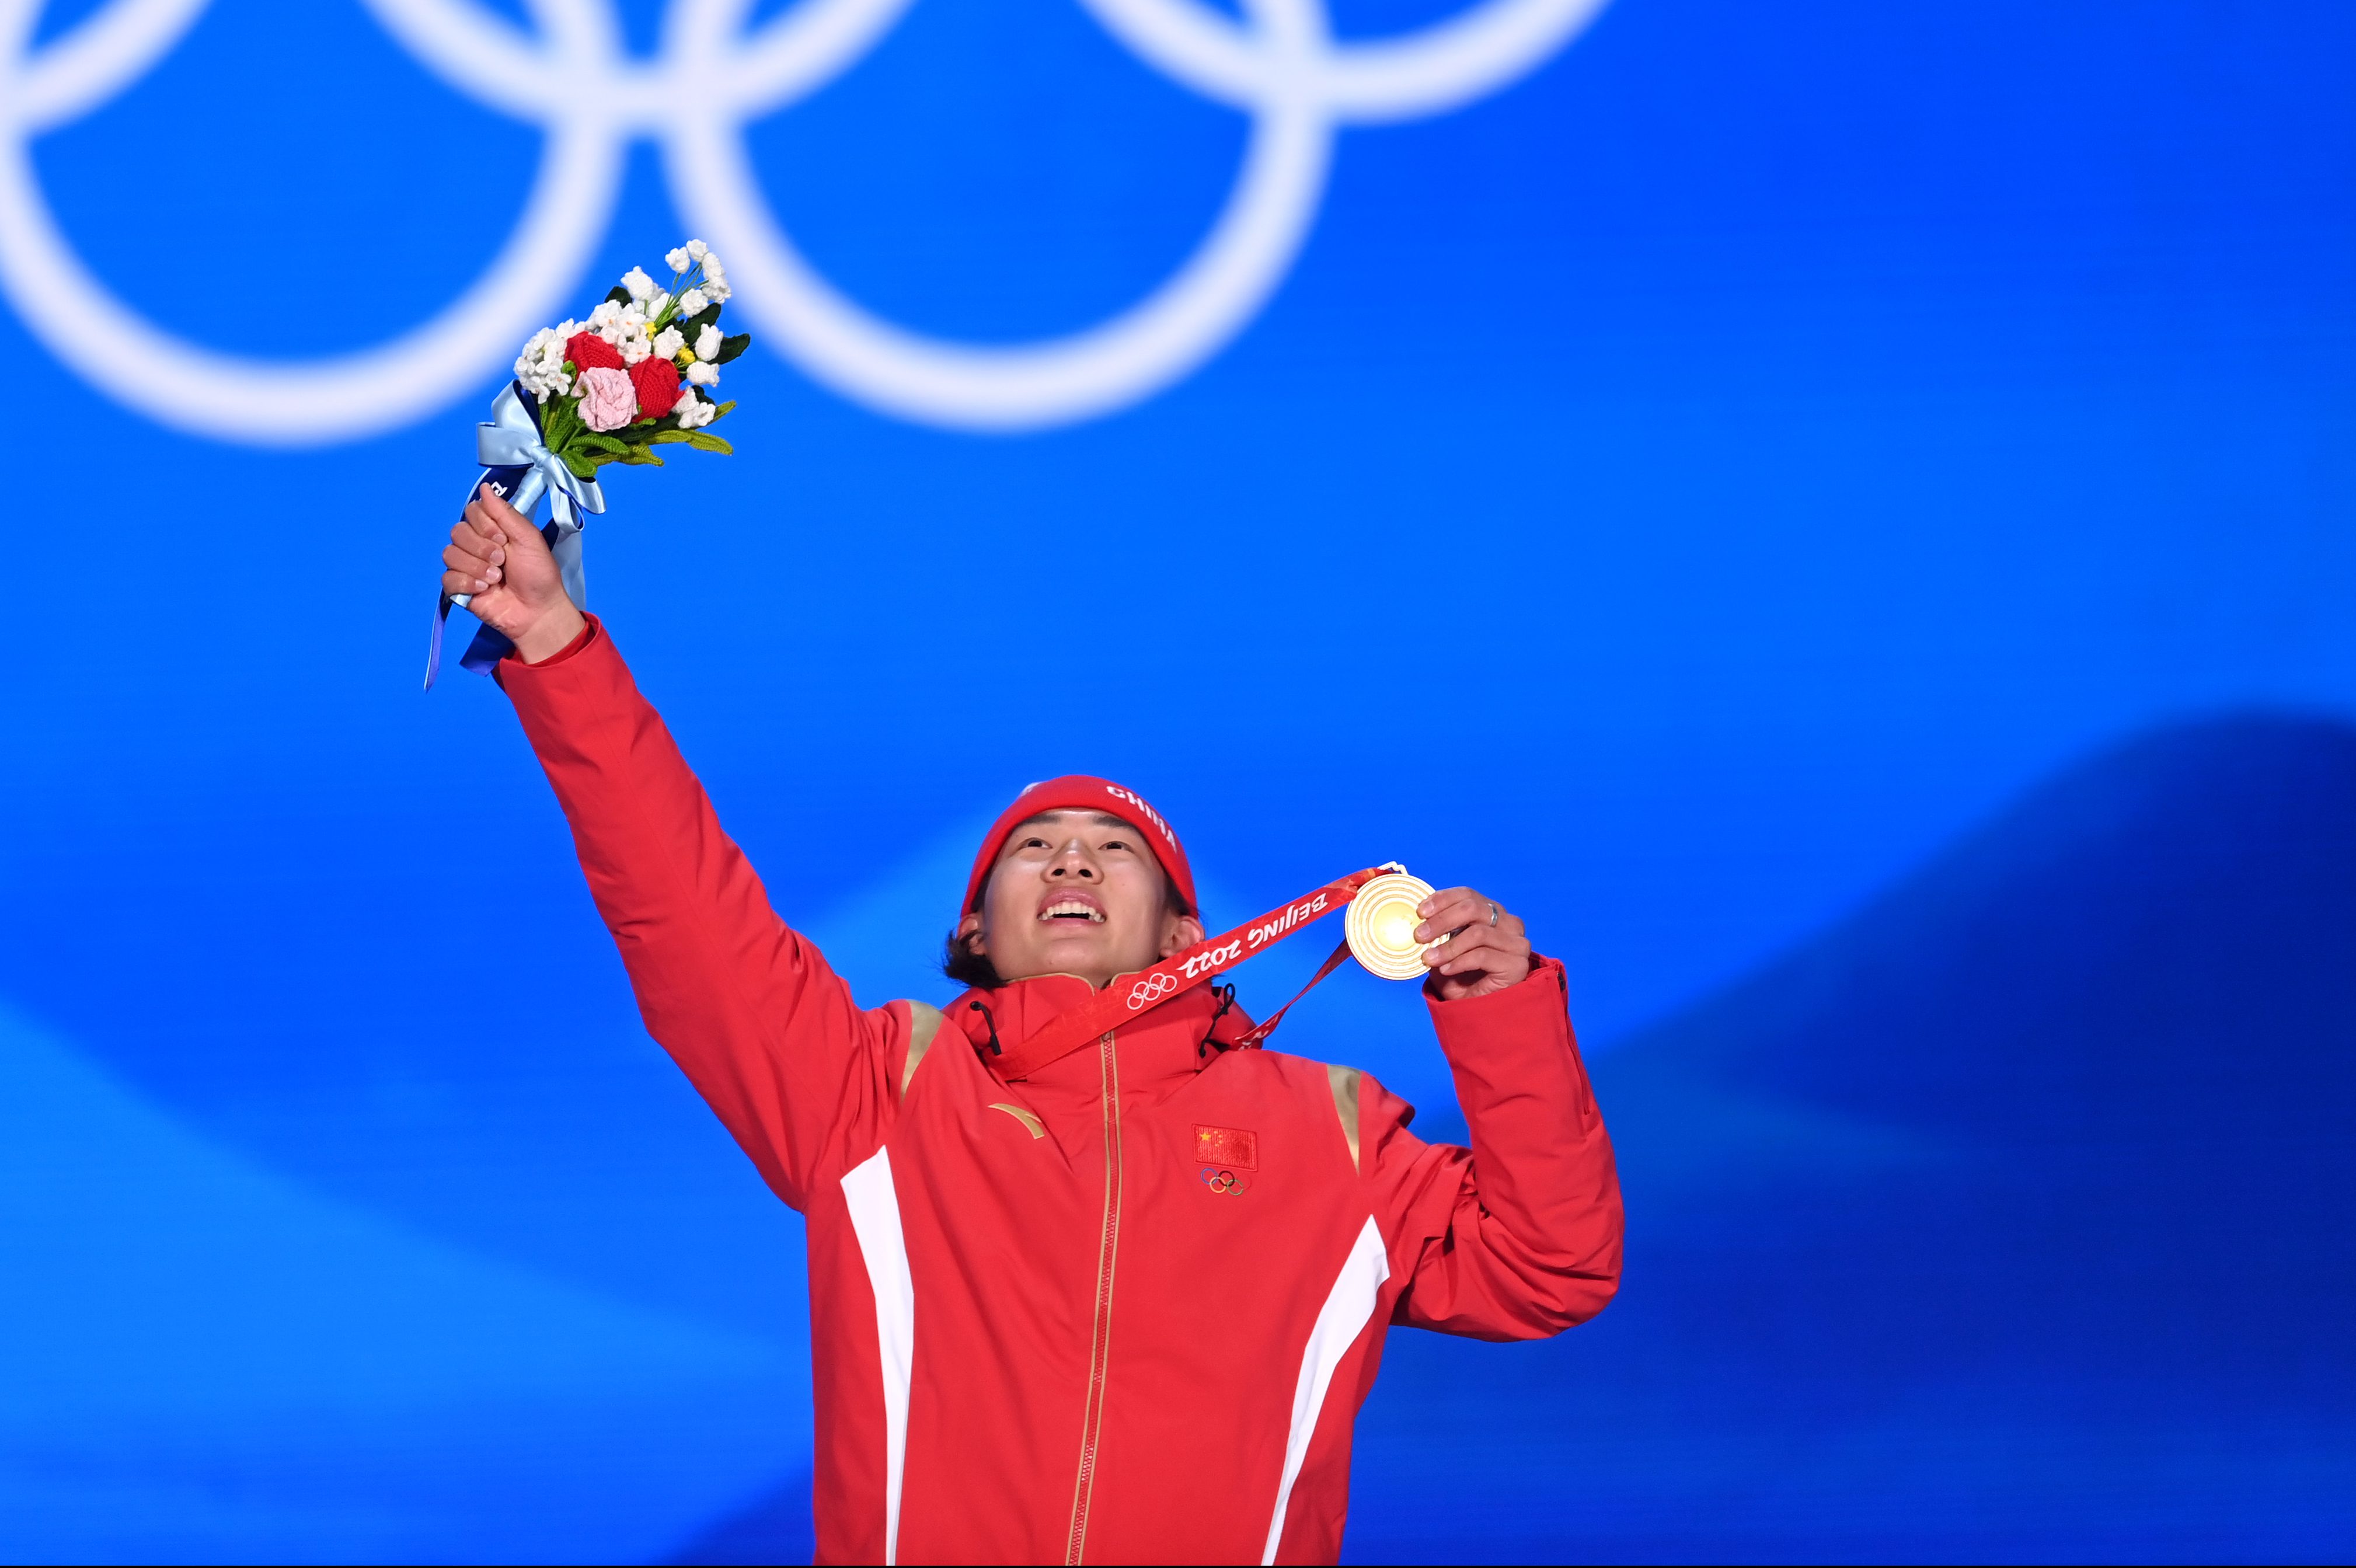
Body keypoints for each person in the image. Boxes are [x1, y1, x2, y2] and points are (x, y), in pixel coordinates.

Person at [441, 486, 1623, 1565]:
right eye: (1030, 847)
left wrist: (1502, 1016)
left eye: (1114, 849)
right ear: (977, 931)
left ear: (1180, 931)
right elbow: (683, 910)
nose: (1068, 855)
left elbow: (1549, 1264)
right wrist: (554, 648)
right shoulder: (873, 1093)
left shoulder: (1333, 1134)